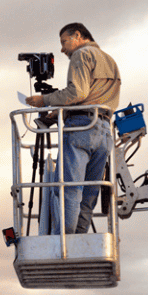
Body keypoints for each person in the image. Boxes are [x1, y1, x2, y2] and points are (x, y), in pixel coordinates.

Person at [24, 23, 121, 235]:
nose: (62, 49)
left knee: (69, 189)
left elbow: (78, 92)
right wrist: (63, 112)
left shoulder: (81, 54)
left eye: (64, 42)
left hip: (81, 128)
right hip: (104, 130)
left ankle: (65, 242)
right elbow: (94, 96)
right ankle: (78, 239)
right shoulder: (110, 60)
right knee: (89, 193)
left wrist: (44, 100)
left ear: (77, 35)